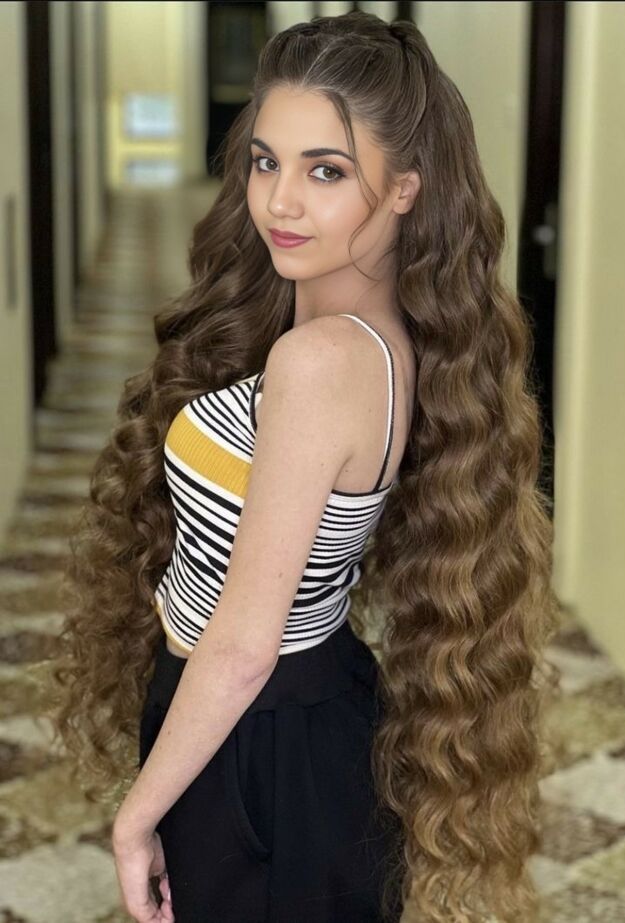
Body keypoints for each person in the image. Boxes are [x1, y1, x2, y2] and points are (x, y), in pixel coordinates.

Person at [47, 10, 560, 923]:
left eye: (326, 171)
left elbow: (246, 644)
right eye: (265, 161)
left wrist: (135, 818)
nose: (279, 201)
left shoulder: (320, 361)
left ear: (403, 190)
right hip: (283, 716)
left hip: (260, 739)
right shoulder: (366, 337)